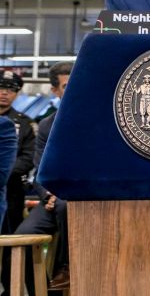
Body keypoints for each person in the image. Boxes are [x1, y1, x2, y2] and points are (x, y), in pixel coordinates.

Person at [11, 62, 73, 294]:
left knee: (65, 207)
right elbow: (39, 170)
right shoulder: (46, 125)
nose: (73, 89)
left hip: (82, 197)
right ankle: (37, 288)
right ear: (55, 91)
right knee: (22, 236)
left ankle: (65, 270)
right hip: (52, 197)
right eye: (67, 86)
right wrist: (48, 194)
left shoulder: (95, 121)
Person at [0, 71, 35, 233]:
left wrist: (5, 172)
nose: (5, 93)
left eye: (11, 89)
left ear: (17, 94)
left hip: (12, 188)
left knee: (10, 234)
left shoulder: (24, 123)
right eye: (1, 87)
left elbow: (29, 157)